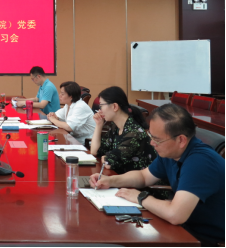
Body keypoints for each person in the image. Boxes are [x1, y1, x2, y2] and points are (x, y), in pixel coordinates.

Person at [90, 104, 225, 246]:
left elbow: (175, 214)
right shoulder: (171, 152)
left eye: (157, 139)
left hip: (204, 238)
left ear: (181, 140)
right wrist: (110, 180)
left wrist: (140, 197)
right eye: (150, 135)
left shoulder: (200, 162)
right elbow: (144, 177)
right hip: (183, 227)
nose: (152, 143)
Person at [90, 86, 156, 174]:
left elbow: (108, 163)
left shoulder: (134, 132)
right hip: (121, 177)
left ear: (114, 106)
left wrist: (106, 157)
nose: (99, 110)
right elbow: (95, 151)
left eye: (101, 105)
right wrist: (99, 125)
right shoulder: (116, 127)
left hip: (137, 181)